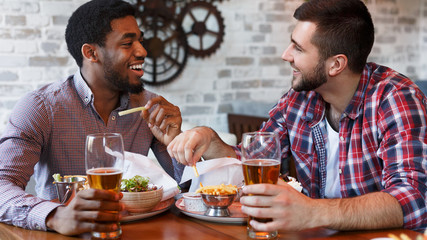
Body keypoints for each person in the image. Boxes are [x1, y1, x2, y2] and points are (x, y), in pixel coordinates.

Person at [168, 0, 427, 233]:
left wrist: (312, 212)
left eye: (298, 48)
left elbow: (414, 198)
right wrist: (211, 141)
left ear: (336, 65)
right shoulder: (300, 98)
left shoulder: (395, 98)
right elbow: (256, 161)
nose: (286, 55)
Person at [0, 0, 184, 236]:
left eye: (140, 40)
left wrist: (176, 142)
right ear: (91, 53)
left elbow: (189, 190)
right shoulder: (40, 108)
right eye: (128, 43)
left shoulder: (150, 107)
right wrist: (56, 216)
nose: (142, 51)